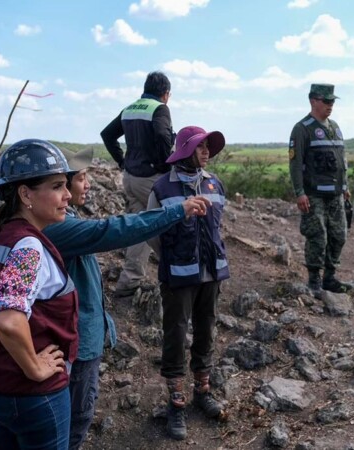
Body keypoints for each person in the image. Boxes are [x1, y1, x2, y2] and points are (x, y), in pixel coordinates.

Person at [42, 149, 210, 450]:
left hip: (82, 336)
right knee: (76, 419)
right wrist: (176, 211)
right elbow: (113, 231)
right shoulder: (57, 228)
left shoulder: (64, 219)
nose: (87, 185)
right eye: (80, 179)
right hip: (76, 345)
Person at [0, 139, 78, 449]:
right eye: (58, 185)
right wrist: (34, 367)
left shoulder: (0, 233)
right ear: (25, 194)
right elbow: (9, 320)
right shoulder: (28, 248)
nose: (68, 195)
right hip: (31, 393)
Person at [147, 126, 229, 441]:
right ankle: (176, 400)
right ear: (184, 150)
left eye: (209, 146)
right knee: (176, 332)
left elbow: (218, 226)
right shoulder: (162, 188)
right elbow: (151, 232)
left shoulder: (214, 182)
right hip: (179, 276)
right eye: (200, 146)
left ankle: (202, 391)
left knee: (206, 328)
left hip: (212, 274)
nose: (206, 151)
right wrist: (173, 258)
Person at [100, 71, 175, 297]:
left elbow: (107, 134)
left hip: (131, 178)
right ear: (165, 94)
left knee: (140, 228)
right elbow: (163, 137)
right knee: (170, 222)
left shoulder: (131, 108)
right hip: (151, 179)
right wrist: (166, 164)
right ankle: (176, 274)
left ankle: (128, 282)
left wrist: (123, 161)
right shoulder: (160, 108)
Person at [288, 83, 352, 293]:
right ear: (313, 100)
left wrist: (345, 186)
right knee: (317, 236)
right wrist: (300, 192)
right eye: (326, 101)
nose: (330, 105)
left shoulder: (334, 127)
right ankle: (314, 280)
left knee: (339, 235)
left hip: (335, 194)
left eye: (332, 101)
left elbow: (342, 159)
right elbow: (295, 164)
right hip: (313, 194)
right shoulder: (302, 129)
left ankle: (330, 277)